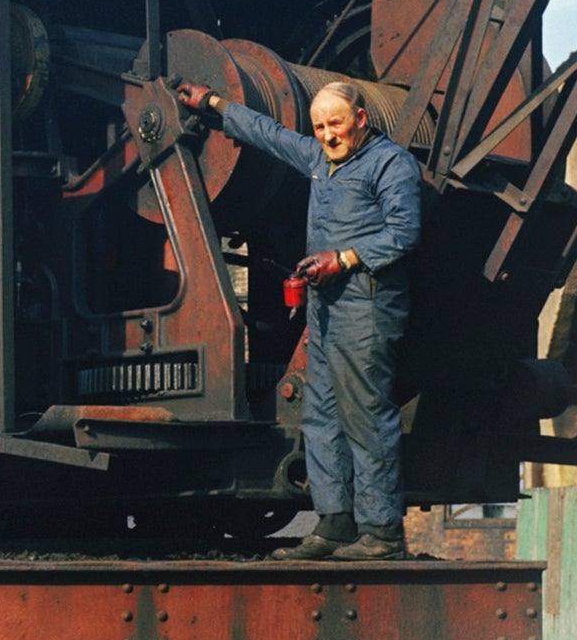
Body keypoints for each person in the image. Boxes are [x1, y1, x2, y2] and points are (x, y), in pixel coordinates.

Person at [173, 74, 423, 558]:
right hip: (326, 310)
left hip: (367, 307)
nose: (328, 135)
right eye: (321, 126)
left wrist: (343, 258)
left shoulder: (391, 165)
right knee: (322, 415)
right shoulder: (317, 158)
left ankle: (383, 533)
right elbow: (269, 133)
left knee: (366, 417)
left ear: (361, 120)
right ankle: (334, 525)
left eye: (337, 124)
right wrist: (214, 103)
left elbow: (405, 231)